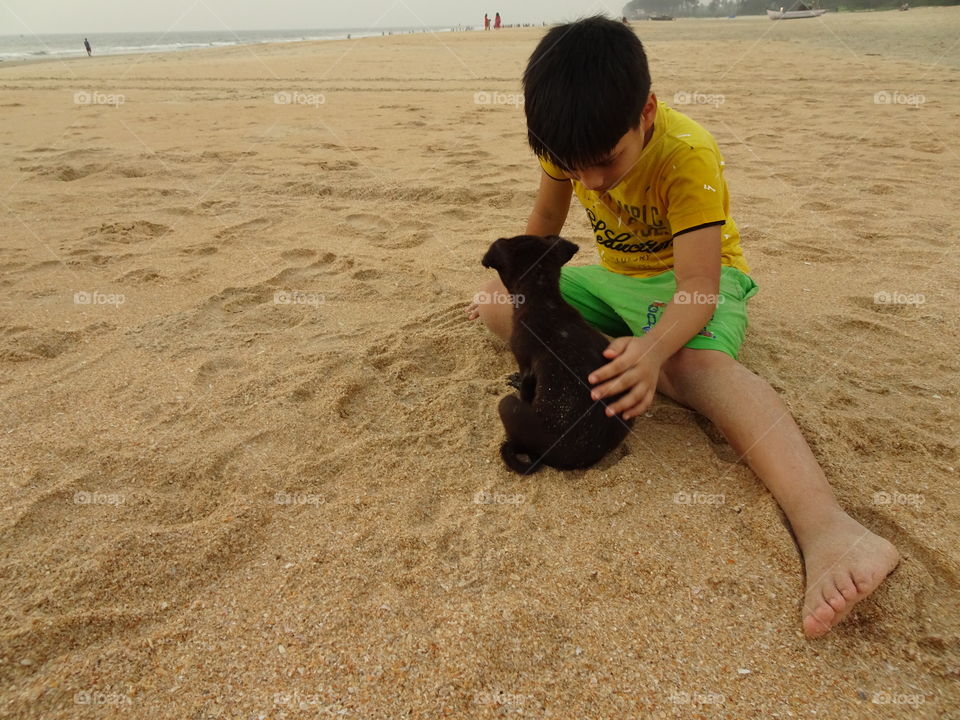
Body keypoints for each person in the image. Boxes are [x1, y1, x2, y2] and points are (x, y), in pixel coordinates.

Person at [466, 16, 899, 638]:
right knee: (497, 305)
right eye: (570, 165)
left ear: (645, 111)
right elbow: (545, 221)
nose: (588, 180)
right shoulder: (568, 144)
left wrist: (655, 350)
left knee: (693, 366)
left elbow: (698, 287)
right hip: (618, 282)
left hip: (695, 284)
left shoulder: (685, 154)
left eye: (604, 162)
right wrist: (517, 283)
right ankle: (637, 360)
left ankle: (831, 527)